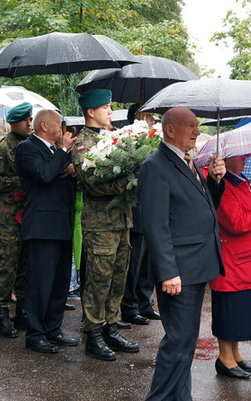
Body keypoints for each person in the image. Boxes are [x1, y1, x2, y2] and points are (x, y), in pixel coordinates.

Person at [139, 107, 226, 401]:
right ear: (170, 130)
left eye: (197, 125)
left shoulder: (188, 163)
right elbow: (156, 225)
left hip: (196, 264)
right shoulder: (156, 166)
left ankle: (180, 395)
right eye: (189, 125)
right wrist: (168, 271)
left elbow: (200, 209)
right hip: (178, 268)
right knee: (177, 338)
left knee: (188, 337)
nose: (196, 130)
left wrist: (216, 182)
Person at [72, 89, 139, 361]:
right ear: (91, 111)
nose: (110, 112)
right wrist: (129, 178)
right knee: (98, 280)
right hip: (100, 225)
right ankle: (94, 333)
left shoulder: (113, 138)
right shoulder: (82, 143)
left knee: (118, 277)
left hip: (121, 221)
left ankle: (111, 326)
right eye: (106, 107)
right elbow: (93, 184)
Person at [14, 109, 79, 353]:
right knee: (40, 283)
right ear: (44, 126)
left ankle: (53, 329)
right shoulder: (26, 148)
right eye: (58, 123)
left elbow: (60, 178)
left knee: (60, 283)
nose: (62, 128)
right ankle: (35, 334)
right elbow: (43, 175)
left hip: (62, 225)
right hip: (41, 228)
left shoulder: (55, 152)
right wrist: (62, 152)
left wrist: (71, 170)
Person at [210, 154, 251, 380]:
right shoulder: (223, 185)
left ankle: (234, 354)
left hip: (247, 261)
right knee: (230, 310)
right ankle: (225, 358)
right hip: (235, 262)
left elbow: (250, 210)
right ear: (225, 160)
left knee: (238, 312)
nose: (245, 157)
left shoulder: (240, 181)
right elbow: (236, 222)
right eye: (239, 154)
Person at [0, 103, 33, 338]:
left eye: (31, 119)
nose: (30, 124)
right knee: (6, 266)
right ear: (13, 123)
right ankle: (2, 314)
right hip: (7, 218)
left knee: (25, 265)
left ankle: (22, 311)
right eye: (25, 121)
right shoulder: (0, 147)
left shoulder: (31, 145)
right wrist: (19, 182)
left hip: (28, 215)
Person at [120, 112, 160, 326]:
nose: (153, 120)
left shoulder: (154, 141)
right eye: (149, 116)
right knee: (134, 265)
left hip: (152, 211)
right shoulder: (128, 141)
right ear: (137, 118)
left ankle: (145, 303)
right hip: (135, 210)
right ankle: (129, 306)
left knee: (147, 265)